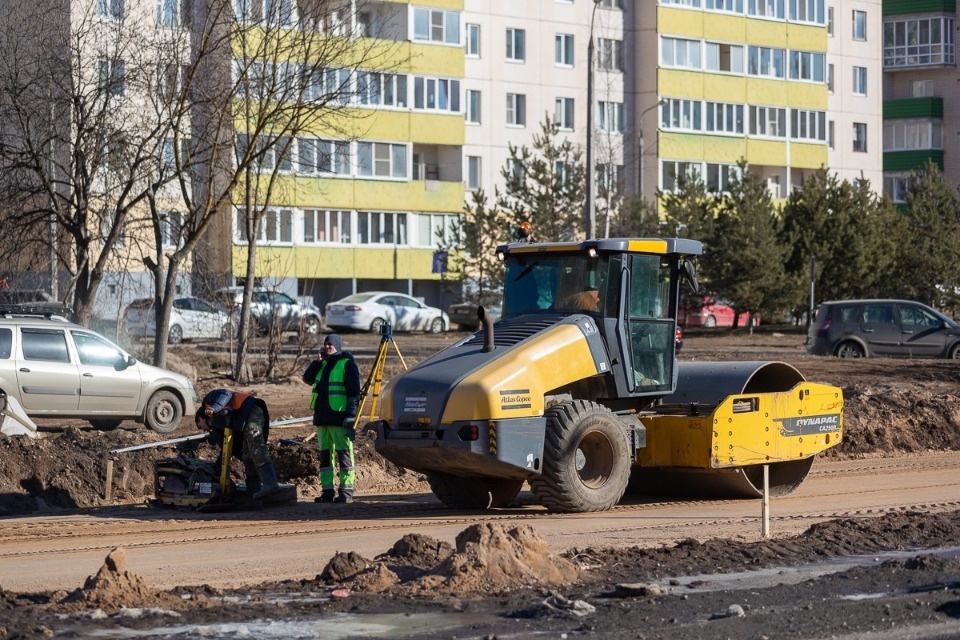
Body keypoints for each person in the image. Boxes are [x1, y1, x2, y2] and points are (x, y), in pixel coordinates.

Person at [194, 388, 289, 502]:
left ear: (200, 418)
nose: (203, 430)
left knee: (254, 439)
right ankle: (254, 496)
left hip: (251, 410)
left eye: (200, 426)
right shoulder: (217, 426)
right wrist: (217, 467)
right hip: (243, 421)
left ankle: (270, 483)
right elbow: (227, 448)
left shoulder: (208, 401)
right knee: (247, 456)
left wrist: (215, 407)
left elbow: (226, 394)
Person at [302, 334, 361, 504]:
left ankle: (346, 491)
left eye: (330, 344)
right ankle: (327, 491)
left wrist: (350, 416)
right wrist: (318, 361)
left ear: (337, 346)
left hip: (339, 417)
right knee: (325, 458)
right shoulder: (323, 364)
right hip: (322, 418)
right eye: (325, 344)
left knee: (344, 455)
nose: (327, 346)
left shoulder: (346, 364)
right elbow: (307, 378)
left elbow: (354, 393)